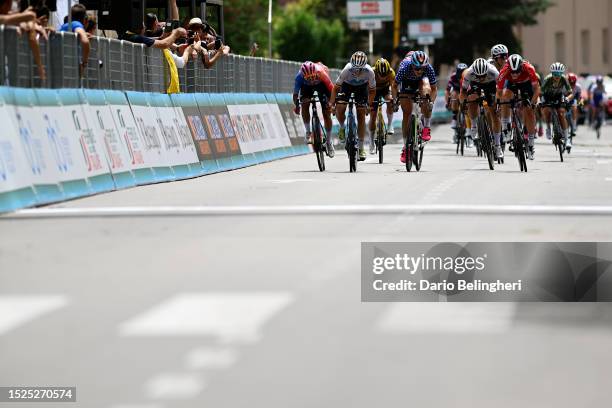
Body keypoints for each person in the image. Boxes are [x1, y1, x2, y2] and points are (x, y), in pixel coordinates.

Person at [329, 51, 376, 161]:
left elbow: (372, 91)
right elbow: (336, 88)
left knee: (361, 115)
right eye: (354, 68)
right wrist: (332, 104)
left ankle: (360, 147)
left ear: (364, 67)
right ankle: (342, 127)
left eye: (359, 69)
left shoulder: (369, 72)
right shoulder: (347, 69)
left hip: (362, 89)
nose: (356, 71)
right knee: (340, 108)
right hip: (347, 86)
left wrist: (369, 104)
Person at [394, 50, 437, 163]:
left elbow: (434, 89)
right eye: (417, 68)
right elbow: (394, 86)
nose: (419, 71)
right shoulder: (404, 67)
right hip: (407, 82)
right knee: (406, 114)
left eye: (422, 68)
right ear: (412, 65)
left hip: (422, 82)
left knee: (426, 92)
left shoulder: (428, 68)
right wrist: (395, 100)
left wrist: (430, 102)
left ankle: (426, 127)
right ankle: (405, 147)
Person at [496, 54, 541, 160]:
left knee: (529, 112)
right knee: (505, 97)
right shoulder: (505, 70)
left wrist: (533, 103)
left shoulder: (529, 68)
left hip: (527, 84)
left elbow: (537, 89)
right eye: (513, 72)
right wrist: (499, 104)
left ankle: (530, 145)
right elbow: (499, 92)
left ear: (521, 67)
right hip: (512, 84)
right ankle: (506, 126)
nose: (515, 74)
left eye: (517, 71)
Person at [459, 58, 502, 158]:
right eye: (479, 76)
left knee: (494, 113)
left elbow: (500, 90)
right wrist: (463, 103)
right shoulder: (469, 73)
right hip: (475, 85)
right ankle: (474, 125)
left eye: (483, 75)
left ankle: (497, 145)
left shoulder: (494, 72)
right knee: (471, 99)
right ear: (475, 72)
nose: (481, 77)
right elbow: (463, 92)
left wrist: (499, 103)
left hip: (491, 85)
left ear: (487, 71)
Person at [293, 61, 335, 157]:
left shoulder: (321, 72)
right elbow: (295, 94)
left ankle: (328, 142)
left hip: (321, 86)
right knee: (305, 103)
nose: (311, 80)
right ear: (303, 76)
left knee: (326, 112)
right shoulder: (299, 77)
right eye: (308, 78)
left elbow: (331, 89)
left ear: (316, 73)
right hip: (306, 87)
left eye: (312, 77)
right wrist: (297, 106)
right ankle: (308, 132)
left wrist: (332, 104)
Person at [540, 62, 573, 151]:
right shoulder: (548, 79)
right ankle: (548, 127)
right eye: (555, 74)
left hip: (558, 96)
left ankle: (567, 139)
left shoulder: (564, 79)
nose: (557, 76)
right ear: (552, 73)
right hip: (547, 96)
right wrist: (541, 100)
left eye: (559, 74)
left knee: (561, 113)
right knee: (546, 110)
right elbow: (540, 92)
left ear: (562, 73)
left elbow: (570, 93)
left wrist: (567, 99)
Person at [368, 58, 396, 154]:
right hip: (373, 91)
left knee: (390, 100)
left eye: (385, 75)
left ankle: (390, 124)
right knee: (373, 116)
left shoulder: (391, 72)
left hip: (385, 89)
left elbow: (393, 87)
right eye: (381, 75)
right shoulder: (371, 72)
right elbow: (366, 87)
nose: (383, 77)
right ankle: (371, 142)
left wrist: (394, 99)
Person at [59, 3, 90, 77]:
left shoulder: (66, 25)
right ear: (85, 18)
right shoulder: (77, 24)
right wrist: (84, 63)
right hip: (68, 65)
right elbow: (85, 41)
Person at [445, 62, 468, 140]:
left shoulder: (469, 76)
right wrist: (447, 102)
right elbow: (447, 91)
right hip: (457, 91)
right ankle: (455, 118)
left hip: (465, 91)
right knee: (454, 94)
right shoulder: (453, 77)